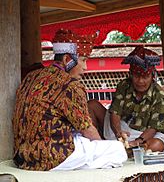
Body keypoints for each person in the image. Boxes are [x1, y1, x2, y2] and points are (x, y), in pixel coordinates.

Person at [12, 29, 127, 171]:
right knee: (117, 149)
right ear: (67, 59)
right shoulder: (70, 85)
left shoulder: (32, 76)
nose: (85, 67)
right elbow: (88, 131)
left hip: (23, 157)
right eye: (83, 60)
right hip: (53, 157)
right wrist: (102, 146)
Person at [88, 46, 164, 153]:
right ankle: (97, 146)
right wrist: (119, 133)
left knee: (156, 145)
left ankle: (126, 151)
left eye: (145, 77)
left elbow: (153, 128)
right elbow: (115, 113)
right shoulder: (124, 85)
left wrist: (137, 142)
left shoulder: (160, 96)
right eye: (136, 76)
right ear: (130, 74)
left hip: (145, 136)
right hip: (121, 132)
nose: (140, 81)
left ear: (152, 76)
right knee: (92, 105)